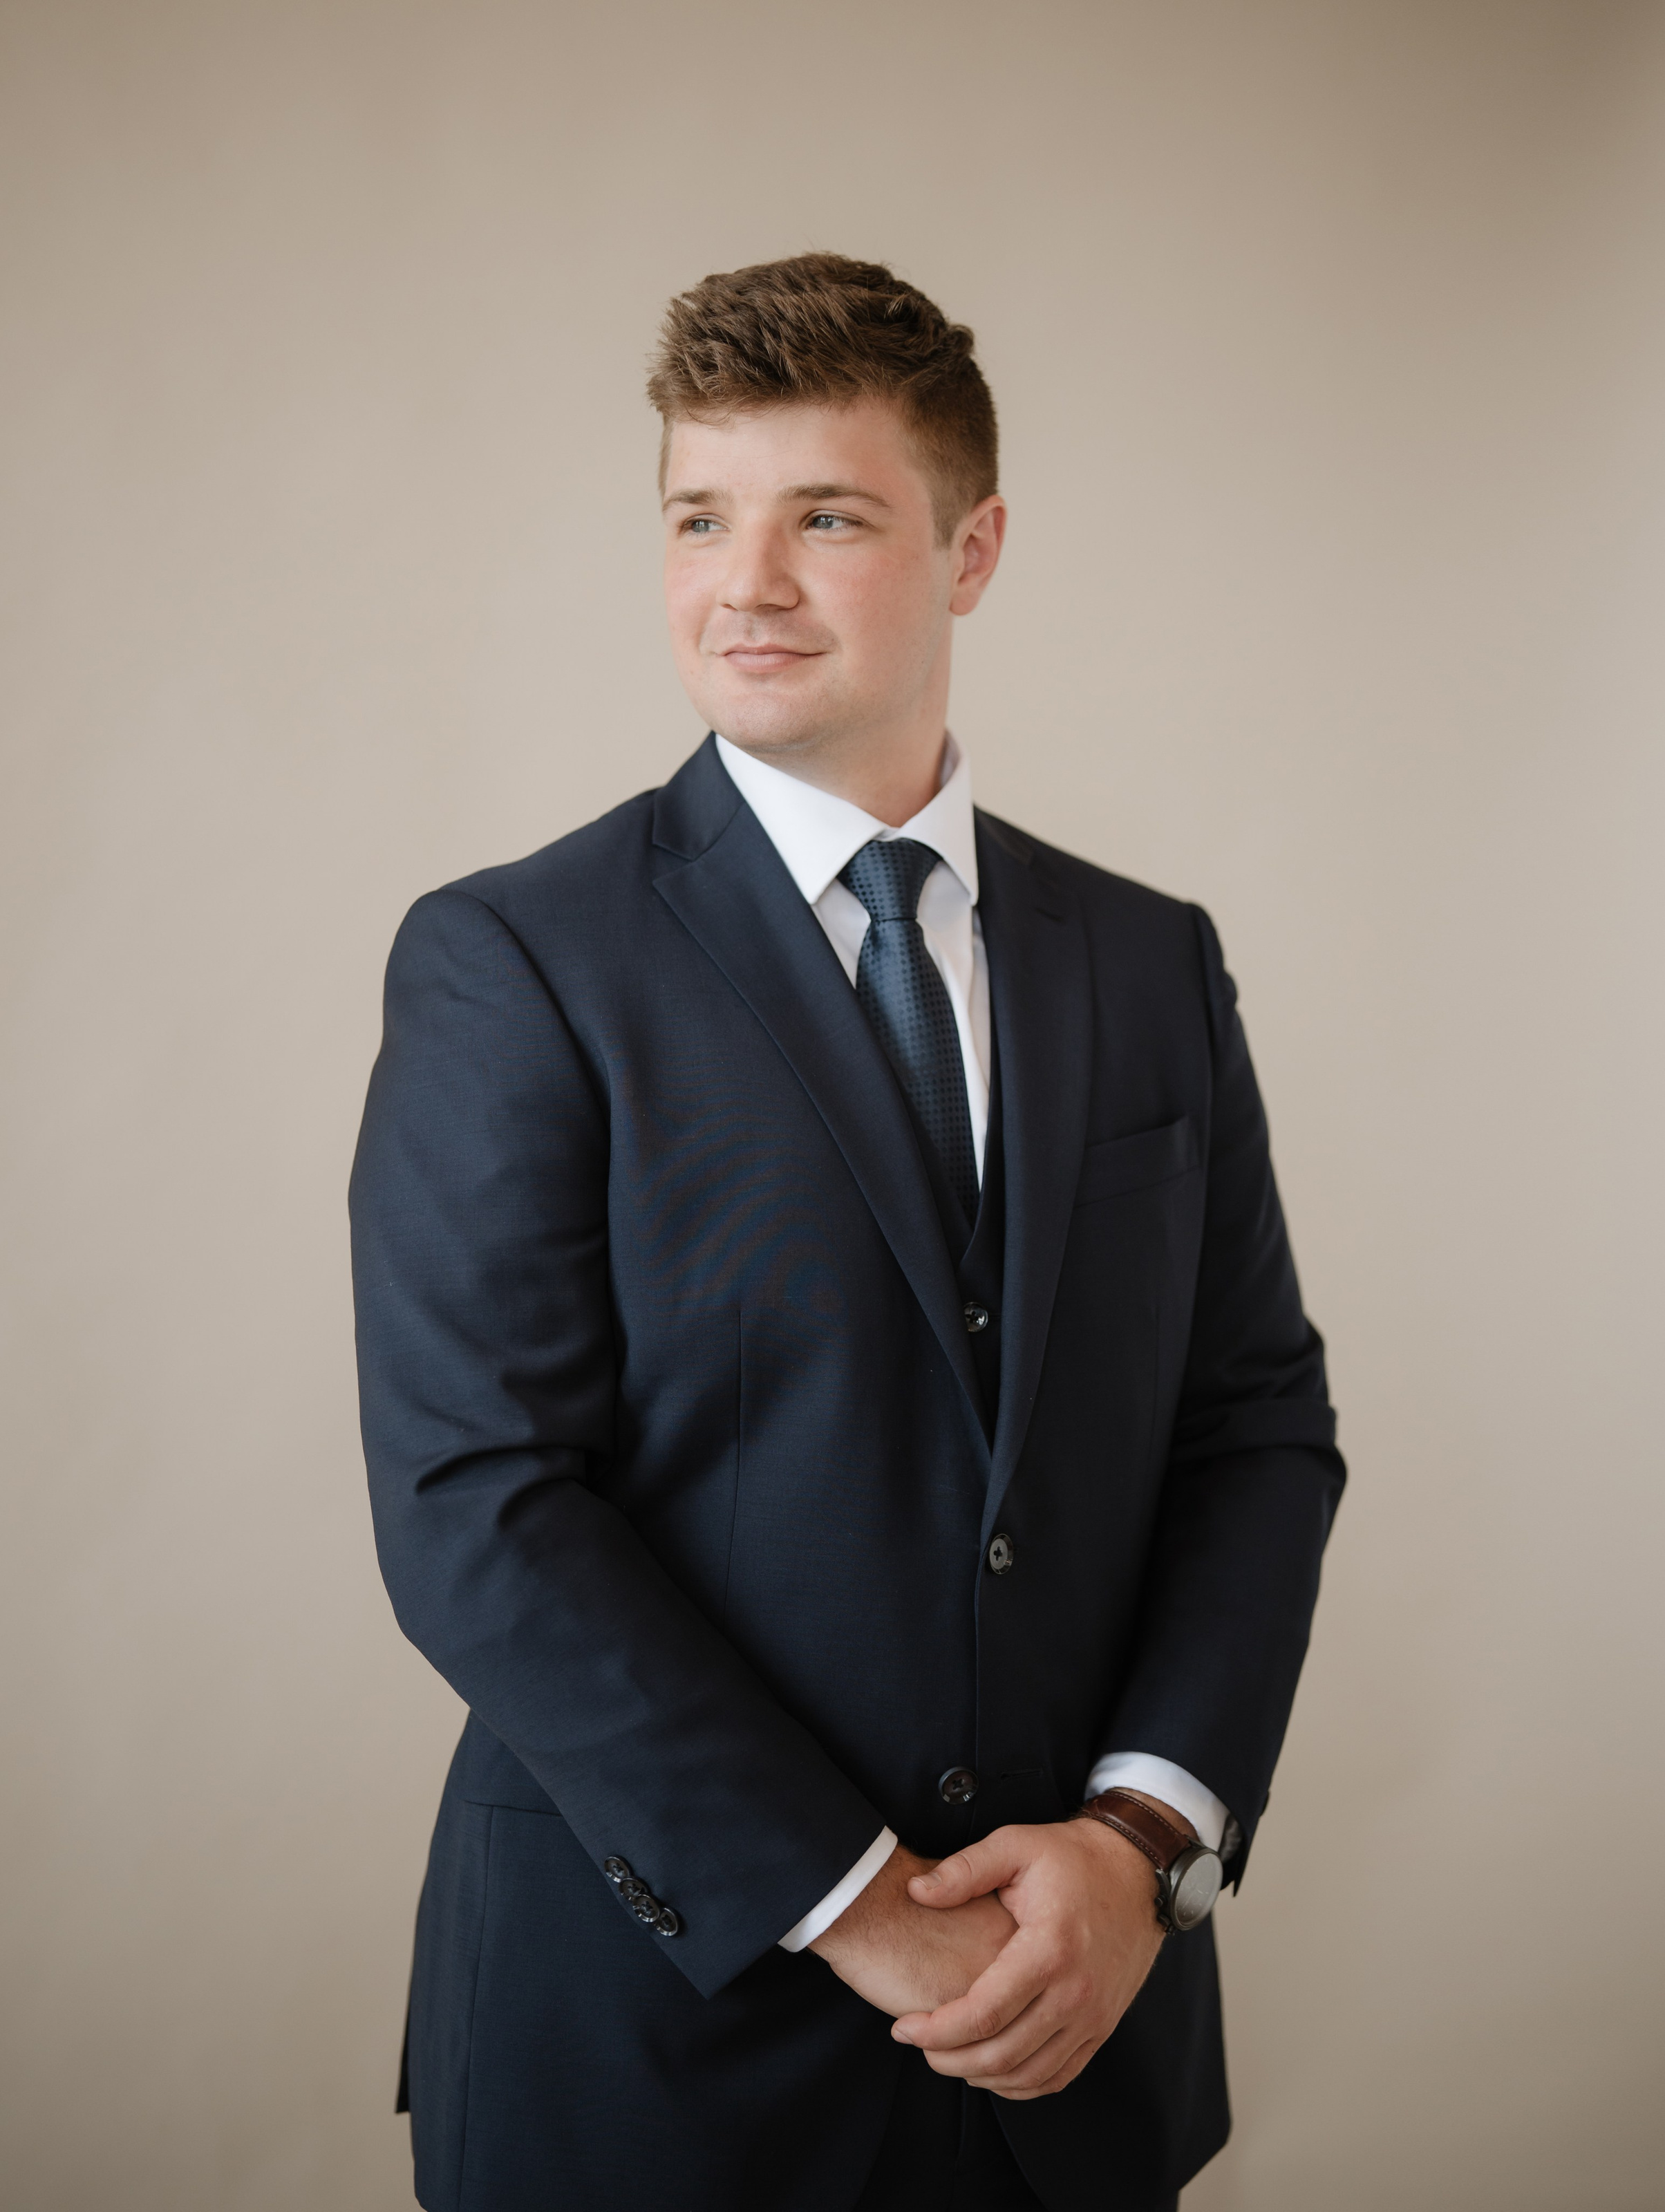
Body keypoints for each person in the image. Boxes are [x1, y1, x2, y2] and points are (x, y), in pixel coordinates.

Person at [350, 252, 1344, 2212]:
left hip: (1073, 2028)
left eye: (828, 517)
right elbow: (479, 1501)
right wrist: (860, 1902)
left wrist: (1141, 1846)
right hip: (658, 2037)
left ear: (971, 553)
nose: (747, 583)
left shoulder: (1148, 964)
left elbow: (1256, 1432)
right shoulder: (515, 964)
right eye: (700, 518)